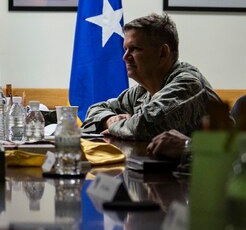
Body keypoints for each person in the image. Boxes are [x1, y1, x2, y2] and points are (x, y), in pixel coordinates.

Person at [82, 13, 223, 140]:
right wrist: (109, 119)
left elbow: (143, 126)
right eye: (125, 49)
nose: (125, 57)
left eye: (135, 49)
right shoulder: (142, 90)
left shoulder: (188, 84)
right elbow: (94, 110)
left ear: (163, 53)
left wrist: (116, 125)